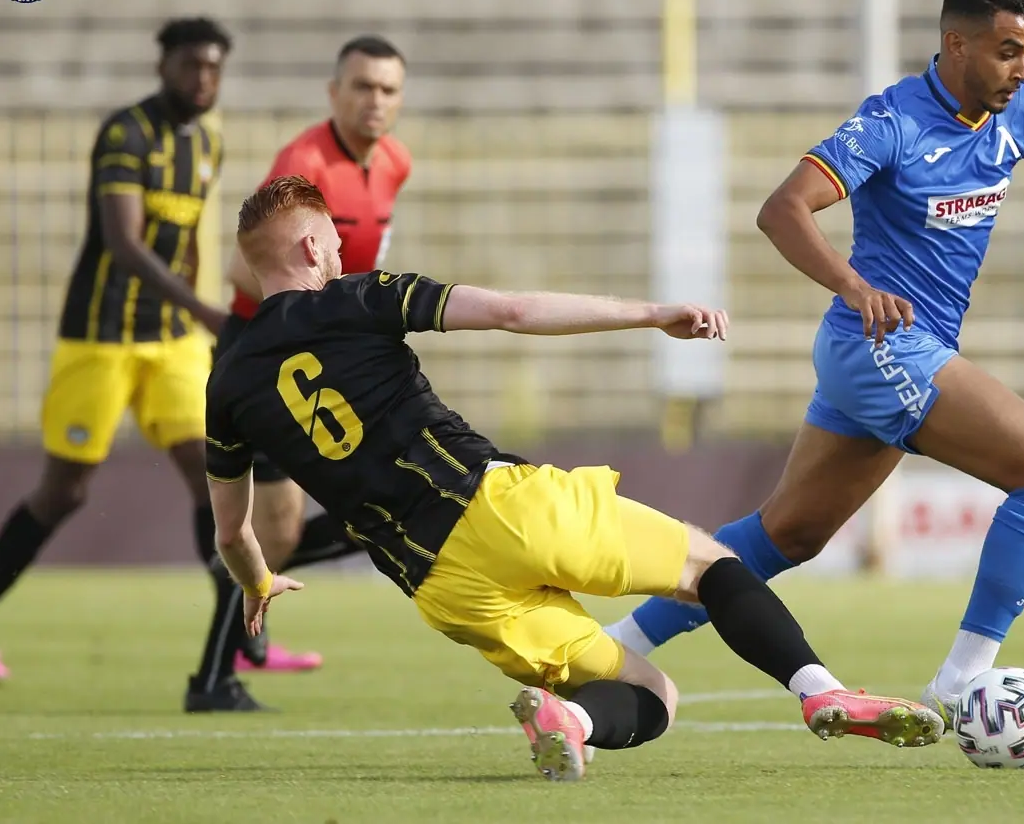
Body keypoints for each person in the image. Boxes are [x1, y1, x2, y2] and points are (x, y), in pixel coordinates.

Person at [604, 0, 1024, 726]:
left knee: (788, 535)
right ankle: (964, 678)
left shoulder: (1022, 113)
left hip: (885, 353)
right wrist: (853, 286)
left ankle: (610, 645)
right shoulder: (893, 123)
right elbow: (782, 210)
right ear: (956, 43)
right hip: (882, 345)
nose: (1020, 70)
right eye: (1006, 52)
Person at [203, 175, 945, 780]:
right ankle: (821, 693)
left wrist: (257, 582)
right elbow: (513, 311)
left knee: (650, 694)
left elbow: (232, 531)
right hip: (497, 504)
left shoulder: (228, 383)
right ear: (311, 245)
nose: (339, 257)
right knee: (710, 566)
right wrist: (652, 315)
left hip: (444, 589)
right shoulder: (357, 298)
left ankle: (573, 720)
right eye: (333, 245)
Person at [0, 18, 234, 678]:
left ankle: (239, 641)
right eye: (191, 65)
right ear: (163, 66)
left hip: (171, 341)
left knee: (211, 474)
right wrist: (203, 309)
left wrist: (196, 319)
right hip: (101, 337)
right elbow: (124, 243)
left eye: (213, 68)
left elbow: (188, 240)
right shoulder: (125, 134)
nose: (202, 79)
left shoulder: (207, 144)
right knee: (67, 489)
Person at [186, 35, 411, 702]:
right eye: (362, 86)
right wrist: (331, 315)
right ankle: (214, 675)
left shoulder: (395, 162)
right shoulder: (304, 163)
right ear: (334, 92)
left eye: (388, 89)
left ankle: (235, 577)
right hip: (267, 356)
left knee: (362, 503)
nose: (375, 100)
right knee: (289, 525)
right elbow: (241, 270)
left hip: (324, 355)